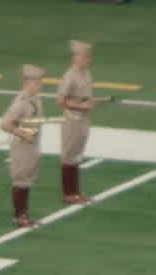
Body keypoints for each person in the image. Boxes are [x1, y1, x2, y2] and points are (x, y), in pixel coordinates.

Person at [2, 65, 46, 227]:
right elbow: (6, 124)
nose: (40, 85)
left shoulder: (35, 100)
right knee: (20, 180)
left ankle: (24, 213)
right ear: (27, 82)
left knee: (27, 180)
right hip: (22, 146)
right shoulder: (20, 103)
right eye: (37, 82)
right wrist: (23, 133)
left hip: (33, 145)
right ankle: (19, 215)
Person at [58, 42, 97, 205]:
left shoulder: (86, 73)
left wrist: (88, 103)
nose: (87, 60)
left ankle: (76, 192)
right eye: (84, 57)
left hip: (83, 120)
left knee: (76, 157)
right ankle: (69, 193)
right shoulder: (70, 76)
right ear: (77, 58)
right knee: (69, 157)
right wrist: (82, 106)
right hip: (72, 120)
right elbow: (60, 100)